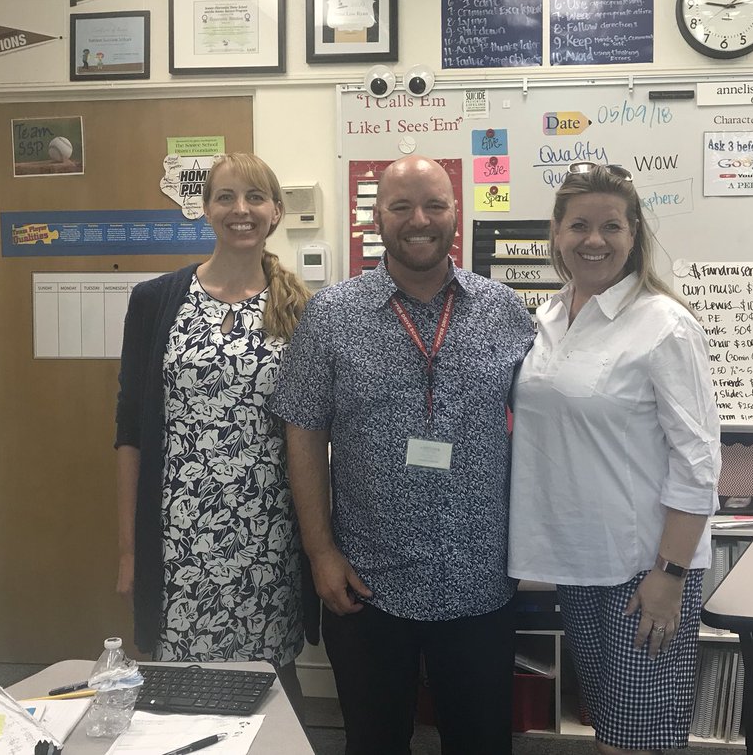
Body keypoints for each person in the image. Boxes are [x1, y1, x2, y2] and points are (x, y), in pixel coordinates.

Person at [271, 155, 535, 755]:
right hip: (367, 583)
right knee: (373, 742)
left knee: (480, 743)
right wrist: (320, 551)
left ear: (455, 215)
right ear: (376, 217)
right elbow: (304, 431)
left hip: (480, 580)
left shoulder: (504, 311)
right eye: (401, 207)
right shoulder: (332, 315)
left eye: (434, 205)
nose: (419, 220)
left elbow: (548, 427)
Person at [508, 162, 721, 755]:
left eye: (611, 226)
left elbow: (698, 461)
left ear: (634, 235)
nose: (594, 240)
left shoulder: (665, 326)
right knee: (608, 725)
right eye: (579, 225)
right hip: (578, 561)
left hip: (644, 566)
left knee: (638, 740)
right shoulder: (548, 317)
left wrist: (670, 577)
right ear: (555, 232)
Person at [113, 152, 311, 710]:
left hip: (268, 536)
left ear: (275, 213)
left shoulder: (302, 311)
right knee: (175, 690)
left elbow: (312, 433)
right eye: (225, 197)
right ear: (205, 210)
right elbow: (130, 432)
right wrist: (129, 549)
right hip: (177, 536)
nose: (240, 210)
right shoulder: (155, 302)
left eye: (254, 198)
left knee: (269, 684)